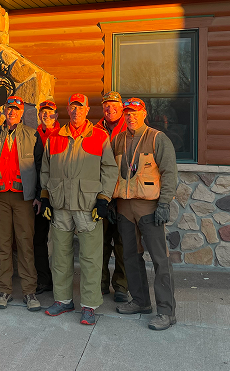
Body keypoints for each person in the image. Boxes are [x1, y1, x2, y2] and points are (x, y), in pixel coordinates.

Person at [41, 94, 118, 325]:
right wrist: (45, 197)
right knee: (59, 256)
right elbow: (45, 169)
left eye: (80, 107)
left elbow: (109, 169)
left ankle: (89, 305)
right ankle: (63, 300)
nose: (76, 112)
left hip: (88, 206)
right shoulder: (55, 137)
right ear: (68, 109)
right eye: (72, 107)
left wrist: (103, 199)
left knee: (90, 258)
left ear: (87, 110)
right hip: (61, 205)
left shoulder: (99, 136)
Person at [111, 98, 178, 331]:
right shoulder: (118, 139)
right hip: (124, 206)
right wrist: (110, 201)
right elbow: (110, 172)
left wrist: (164, 204)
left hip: (149, 207)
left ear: (144, 113)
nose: (130, 116)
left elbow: (169, 173)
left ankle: (167, 312)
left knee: (160, 260)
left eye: (135, 112)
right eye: (127, 113)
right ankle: (140, 301)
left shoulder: (158, 138)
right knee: (130, 256)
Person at [0, 96, 43, 311]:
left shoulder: (32, 135)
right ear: (4, 111)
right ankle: (4, 289)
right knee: (2, 244)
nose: (12, 112)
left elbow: (40, 165)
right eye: (9, 109)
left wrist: (39, 194)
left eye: (16, 109)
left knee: (25, 244)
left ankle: (29, 291)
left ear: (22, 112)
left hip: (23, 197)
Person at [94, 91, 129, 303]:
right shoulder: (95, 129)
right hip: (101, 194)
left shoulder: (131, 128)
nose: (110, 108)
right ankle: (100, 283)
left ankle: (121, 285)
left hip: (124, 194)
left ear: (121, 107)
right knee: (100, 242)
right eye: (106, 105)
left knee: (123, 244)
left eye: (114, 104)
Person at [34, 99, 60, 295]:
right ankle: (43, 279)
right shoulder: (32, 136)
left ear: (56, 115)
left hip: (59, 195)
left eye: (50, 112)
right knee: (39, 239)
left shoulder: (63, 135)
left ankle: (60, 281)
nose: (46, 115)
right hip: (40, 195)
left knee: (60, 241)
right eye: (43, 112)